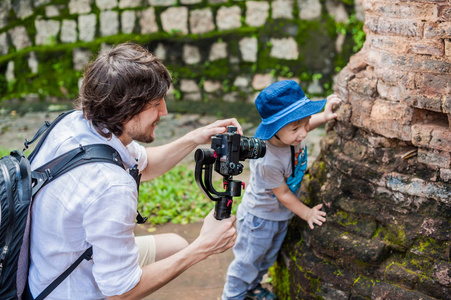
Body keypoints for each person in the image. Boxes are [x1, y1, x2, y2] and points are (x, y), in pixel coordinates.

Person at [27, 42, 238, 299]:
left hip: (48, 265)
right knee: (186, 251)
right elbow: (121, 292)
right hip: (71, 289)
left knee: (176, 246)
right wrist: (203, 247)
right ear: (128, 108)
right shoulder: (112, 186)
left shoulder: (77, 123)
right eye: (156, 103)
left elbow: (144, 164)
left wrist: (195, 137)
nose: (165, 111)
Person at [222, 80, 342, 300]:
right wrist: (307, 213)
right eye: (296, 128)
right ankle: (232, 296)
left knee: (267, 258)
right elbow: (283, 194)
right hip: (260, 218)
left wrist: (323, 117)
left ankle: (253, 288)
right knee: (248, 261)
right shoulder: (266, 159)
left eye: (305, 124)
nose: (304, 133)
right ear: (275, 129)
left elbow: (303, 125)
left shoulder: (293, 133)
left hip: (279, 215)